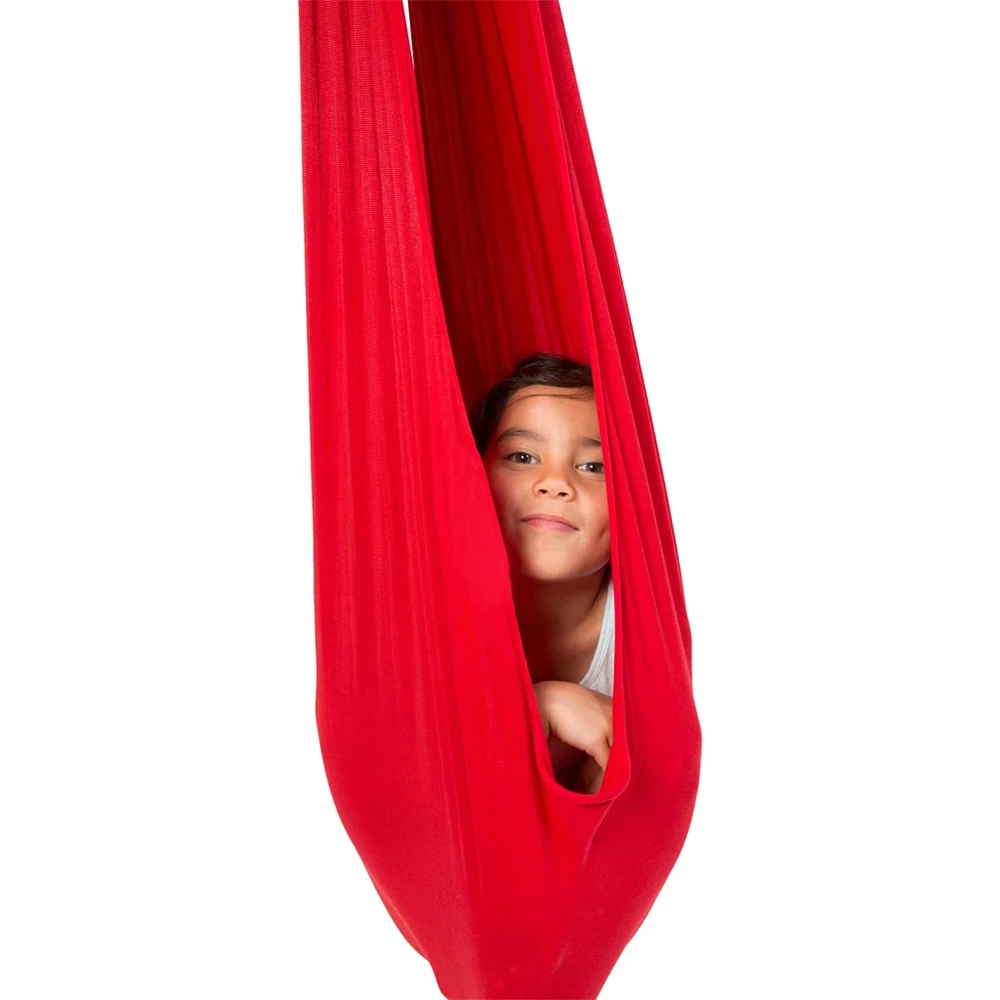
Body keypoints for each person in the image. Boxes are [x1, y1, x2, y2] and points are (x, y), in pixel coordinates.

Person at [470, 352, 615, 794]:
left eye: (593, 466)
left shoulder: (644, 631)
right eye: (522, 456)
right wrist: (538, 707)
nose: (555, 483)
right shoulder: (434, 614)